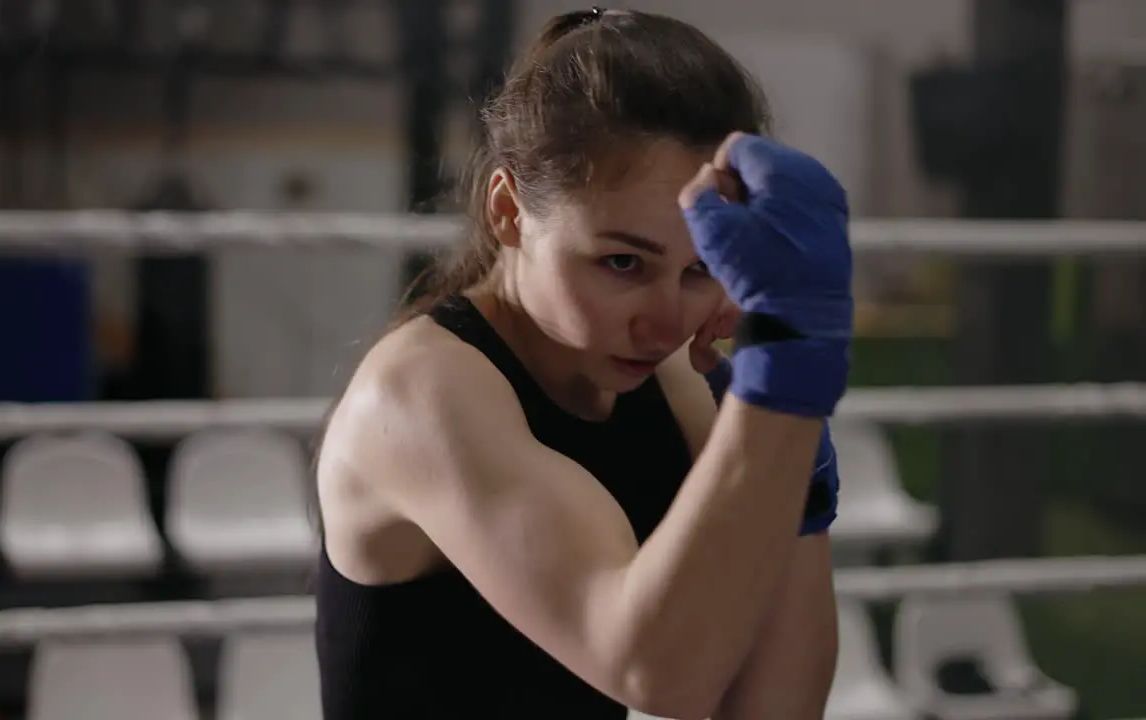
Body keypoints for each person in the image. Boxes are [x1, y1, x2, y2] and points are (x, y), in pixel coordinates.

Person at [313, 7, 851, 720]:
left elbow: (776, 711)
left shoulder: (676, 383)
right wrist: (783, 387)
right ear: (509, 212)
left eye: (699, 272)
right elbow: (653, 671)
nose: (667, 320)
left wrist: (796, 486)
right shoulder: (418, 394)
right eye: (622, 262)